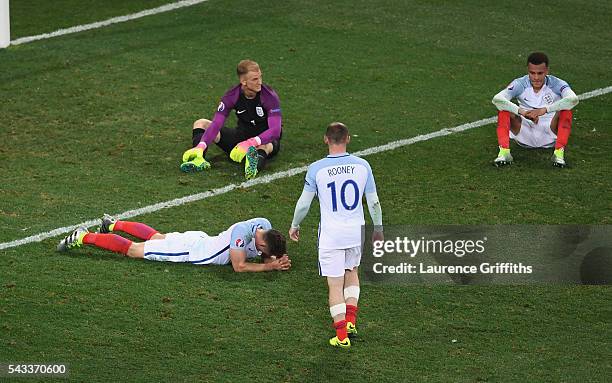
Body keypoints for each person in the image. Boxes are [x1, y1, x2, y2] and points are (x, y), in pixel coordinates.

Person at [288, 122, 383, 348]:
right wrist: (378, 228)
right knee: (352, 271)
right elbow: (374, 202)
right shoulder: (363, 166)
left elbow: (303, 204)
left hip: (331, 235)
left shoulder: (317, 169)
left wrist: (295, 225)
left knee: (334, 285)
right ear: (348, 138)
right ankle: (350, 321)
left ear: (326, 140)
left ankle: (341, 337)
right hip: (355, 232)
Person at [57, 215, 291, 273]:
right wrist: (269, 266)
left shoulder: (264, 223)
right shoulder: (241, 234)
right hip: (194, 250)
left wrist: (273, 258)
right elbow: (238, 266)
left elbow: (264, 253)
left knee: (158, 237)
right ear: (260, 244)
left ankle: (112, 224)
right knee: (134, 250)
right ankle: (83, 237)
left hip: (200, 238)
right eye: (264, 252)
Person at [181, 59, 283, 180]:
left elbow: (275, 131)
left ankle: (252, 166)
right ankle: (198, 159)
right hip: (240, 139)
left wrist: (251, 143)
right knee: (201, 123)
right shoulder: (232, 95)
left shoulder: (269, 96)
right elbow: (217, 124)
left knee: (263, 147)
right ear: (243, 81)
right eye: (255, 79)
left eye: (260, 77)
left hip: (264, 140)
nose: (259, 82)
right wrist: (201, 145)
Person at [491, 52, 579, 167]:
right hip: (524, 129)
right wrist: (522, 112)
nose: (536, 77)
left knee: (566, 110)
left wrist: (544, 110)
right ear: (528, 70)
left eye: (540, 73)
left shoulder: (557, 84)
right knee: (503, 109)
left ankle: (558, 154)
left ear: (547, 71)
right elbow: (497, 99)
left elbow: (573, 99)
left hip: (550, 131)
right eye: (532, 73)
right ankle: (504, 153)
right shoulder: (520, 83)